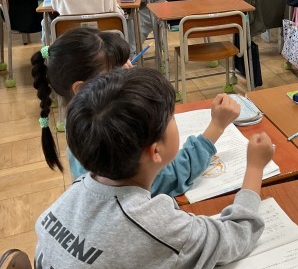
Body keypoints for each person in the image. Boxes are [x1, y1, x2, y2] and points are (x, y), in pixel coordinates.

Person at [35, 67, 273, 268]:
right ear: (155, 151)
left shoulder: (73, 192)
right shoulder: (159, 226)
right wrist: (255, 167)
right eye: (172, 117)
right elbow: (238, 235)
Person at [31, 27, 238, 197]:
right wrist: (216, 127)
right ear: (82, 88)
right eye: (117, 71)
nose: (128, 71)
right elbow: (166, 179)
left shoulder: (83, 121)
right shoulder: (112, 132)